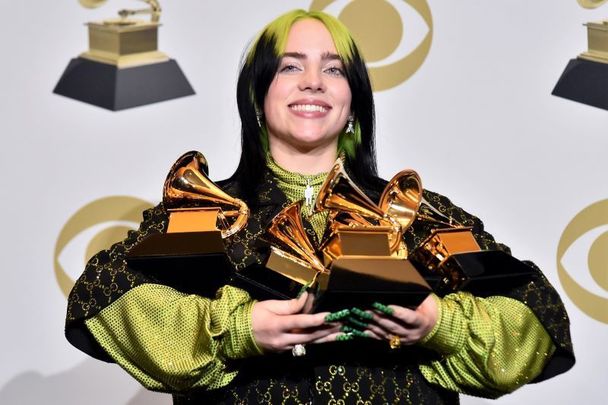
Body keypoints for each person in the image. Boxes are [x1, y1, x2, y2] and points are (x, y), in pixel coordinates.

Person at [65, 9, 574, 404]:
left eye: (334, 69)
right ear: (258, 96)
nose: (314, 81)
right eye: (291, 66)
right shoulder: (205, 210)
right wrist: (239, 329)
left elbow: (537, 315)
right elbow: (104, 299)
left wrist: (439, 324)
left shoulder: (422, 216)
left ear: (353, 104)